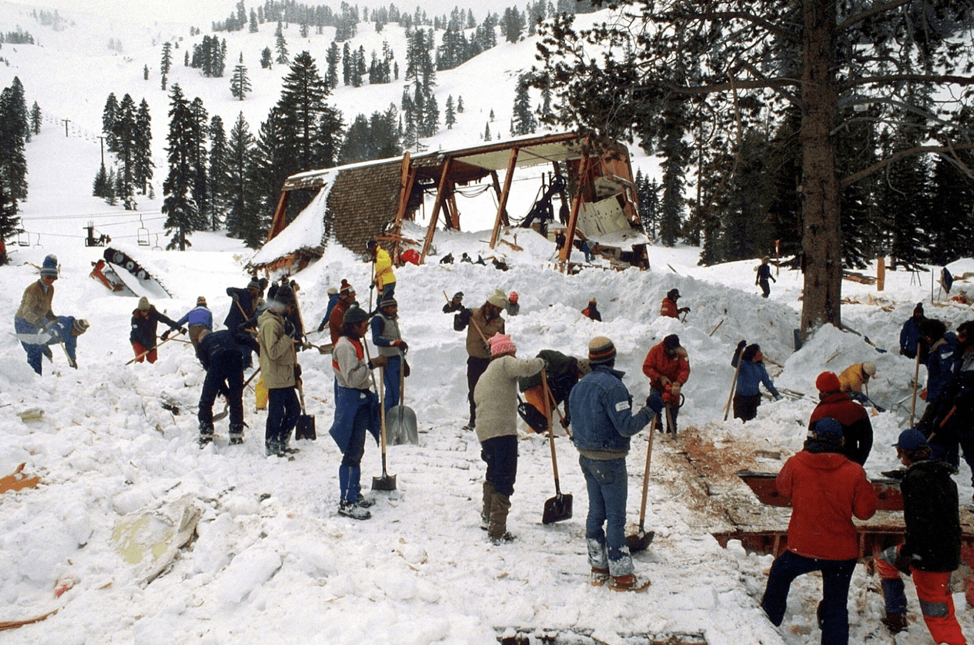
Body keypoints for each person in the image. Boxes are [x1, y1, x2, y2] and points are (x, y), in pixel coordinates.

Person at [760, 418, 878, 645]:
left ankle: (767, 623)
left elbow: (782, 488)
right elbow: (865, 512)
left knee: (779, 574)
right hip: (841, 553)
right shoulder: (854, 471)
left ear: (813, 437)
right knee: (836, 604)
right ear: (842, 441)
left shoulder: (796, 463)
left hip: (803, 547)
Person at [569, 336, 664, 592]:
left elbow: (572, 422)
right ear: (612, 358)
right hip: (609, 461)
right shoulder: (613, 387)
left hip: (587, 458)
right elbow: (626, 427)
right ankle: (622, 576)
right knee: (615, 518)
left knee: (595, 513)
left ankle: (598, 568)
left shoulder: (579, 386)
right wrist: (650, 409)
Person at [875, 429, 966, 643]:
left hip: (928, 557)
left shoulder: (916, 482)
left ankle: (954, 642)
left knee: (939, 617)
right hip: (947, 550)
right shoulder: (943, 477)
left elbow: (920, 524)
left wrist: (908, 553)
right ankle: (896, 615)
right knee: (885, 560)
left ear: (903, 453)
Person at [473, 334, 545, 543]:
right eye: (513, 351)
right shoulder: (504, 363)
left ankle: (488, 516)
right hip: (502, 431)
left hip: (485, 433)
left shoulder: (485, 375)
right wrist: (542, 362)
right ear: (507, 351)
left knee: (493, 472)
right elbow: (526, 367)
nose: (515, 355)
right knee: (505, 477)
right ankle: (497, 530)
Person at [329, 305, 388, 520]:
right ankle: (346, 500)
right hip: (350, 401)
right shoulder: (345, 347)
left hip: (361, 399)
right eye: (364, 326)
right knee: (352, 452)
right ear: (354, 326)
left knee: (358, 450)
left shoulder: (355, 342)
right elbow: (353, 378)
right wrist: (372, 364)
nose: (366, 329)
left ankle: (354, 492)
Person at [14, 255, 85, 374]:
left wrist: (50, 316)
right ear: (42, 275)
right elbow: (26, 312)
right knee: (34, 350)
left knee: (37, 349)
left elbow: (47, 306)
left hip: (35, 323)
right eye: (48, 277)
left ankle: (36, 377)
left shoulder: (50, 288)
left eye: (53, 277)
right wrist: (37, 320)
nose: (50, 280)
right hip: (23, 322)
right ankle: (33, 380)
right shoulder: (33, 290)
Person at [454, 289, 507, 430]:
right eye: (498, 309)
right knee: (474, 392)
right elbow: (458, 327)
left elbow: (502, 343)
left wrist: (494, 347)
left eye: (501, 310)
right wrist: (461, 318)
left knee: (489, 392)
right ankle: (473, 421)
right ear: (490, 305)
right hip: (475, 360)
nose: (499, 312)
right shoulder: (473, 314)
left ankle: (488, 422)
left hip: (490, 362)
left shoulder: (500, 323)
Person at [930, 320, 974, 490]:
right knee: (945, 443)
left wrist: (969, 393)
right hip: (961, 416)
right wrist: (940, 416)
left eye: (963, 336)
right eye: (958, 335)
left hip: (971, 417)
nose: (958, 339)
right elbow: (951, 389)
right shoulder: (961, 359)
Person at [257, 285, 301, 457]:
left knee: (293, 410)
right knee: (276, 413)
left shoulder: (280, 321)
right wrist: (286, 337)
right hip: (276, 376)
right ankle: (272, 445)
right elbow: (273, 352)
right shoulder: (269, 324)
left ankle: (282, 441)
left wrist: (295, 367)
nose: (291, 310)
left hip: (285, 375)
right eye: (290, 307)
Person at [809, 371, 874, 466]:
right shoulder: (859, 411)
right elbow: (867, 441)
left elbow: (810, 443)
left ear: (823, 392)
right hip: (850, 465)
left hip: (823, 466)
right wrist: (858, 463)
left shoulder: (818, 413)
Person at [195, 329, 246, 447]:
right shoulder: (227, 333)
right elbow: (246, 339)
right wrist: (260, 351)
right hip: (236, 360)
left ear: (201, 338)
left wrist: (225, 392)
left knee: (206, 401)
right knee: (236, 400)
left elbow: (213, 373)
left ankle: (206, 434)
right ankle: (236, 435)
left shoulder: (202, 345)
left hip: (218, 361)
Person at [517, 350, 592, 429]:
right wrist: (546, 369)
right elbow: (544, 353)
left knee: (547, 414)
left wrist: (567, 418)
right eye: (582, 375)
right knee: (540, 414)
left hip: (544, 388)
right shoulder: (563, 361)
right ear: (580, 370)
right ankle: (538, 437)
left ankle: (546, 436)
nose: (581, 377)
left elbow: (569, 400)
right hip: (532, 381)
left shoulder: (572, 380)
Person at [916, 318, 958, 435]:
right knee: (927, 426)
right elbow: (932, 364)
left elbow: (947, 375)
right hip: (938, 395)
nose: (925, 338)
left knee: (930, 428)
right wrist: (923, 349)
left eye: (926, 336)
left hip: (942, 398)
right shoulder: (937, 348)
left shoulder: (944, 349)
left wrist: (940, 396)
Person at [641, 334, 690, 434]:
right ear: (665, 347)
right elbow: (646, 367)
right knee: (654, 401)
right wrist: (659, 377)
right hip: (657, 384)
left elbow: (685, 369)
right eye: (670, 350)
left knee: (673, 409)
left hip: (672, 386)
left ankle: (671, 430)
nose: (672, 352)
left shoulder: (681, 352)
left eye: (674, 350)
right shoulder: (655, 351)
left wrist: (678, 383)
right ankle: (657, 426)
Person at [370, 296, 408, 413]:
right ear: (385, 308)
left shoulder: (392, 319)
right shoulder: (378, 320)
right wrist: (393, 343)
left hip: (397, 358)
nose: (395, 309)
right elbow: (376, 339)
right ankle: (386, 420)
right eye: (393, 307)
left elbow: (397, 339)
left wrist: (404, 361)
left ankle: (393, 418)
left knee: (397, 392)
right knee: (391, 392)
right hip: (387, 360)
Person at [731, 341, 781, 422]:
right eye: (759, 352)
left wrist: (776, 394)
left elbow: (767, 382)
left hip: (754, 401)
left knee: (751, 424)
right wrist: (738, 350)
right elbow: (734, 363)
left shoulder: (760, 368)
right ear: (753, 353)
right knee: (739, 424)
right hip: (741, 400)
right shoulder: (743, 364)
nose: (761, 354)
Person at [130, 297, 182, 364]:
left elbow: (166, 320)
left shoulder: (153, 313)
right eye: (142, 311)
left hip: (151, 339)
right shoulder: (135, 318)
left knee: (153, 361)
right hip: (137, 339)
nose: (144, 313)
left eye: (145, 310)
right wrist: (148, 345)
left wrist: (178, 327)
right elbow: (139, 333)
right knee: (140, 360)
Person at [225, 279, 261, 368]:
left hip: (244, 325)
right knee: (236, 344)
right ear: (252, 289)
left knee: (247, 343)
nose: (257, 293)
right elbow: (228, 289)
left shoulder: (254, 300)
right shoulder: (242, 292)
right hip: (234, 323)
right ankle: (237, 363)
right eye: (256, 291)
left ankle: (247, 363)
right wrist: (233, 294)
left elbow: (252, 314)